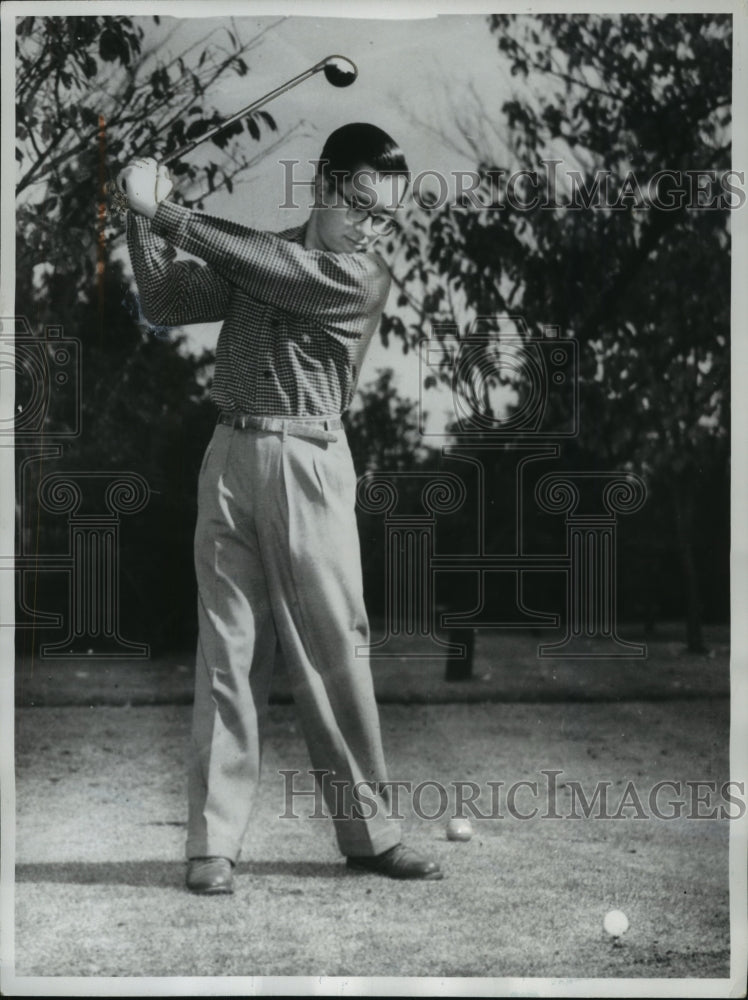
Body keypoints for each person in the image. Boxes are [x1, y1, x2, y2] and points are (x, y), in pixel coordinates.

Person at [118, 123, 443, 894]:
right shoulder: (261, 255)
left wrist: (166, 210)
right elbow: (165, 300)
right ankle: (212, 845)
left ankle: (370, 835)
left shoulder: (358, 276)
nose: (371, 227)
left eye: (385, 216)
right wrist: (138, 214)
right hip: (228, 456)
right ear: (326, 186)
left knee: (335, 655)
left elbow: (267, 266)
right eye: (361, 206)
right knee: (227, 655)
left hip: (309, 463)